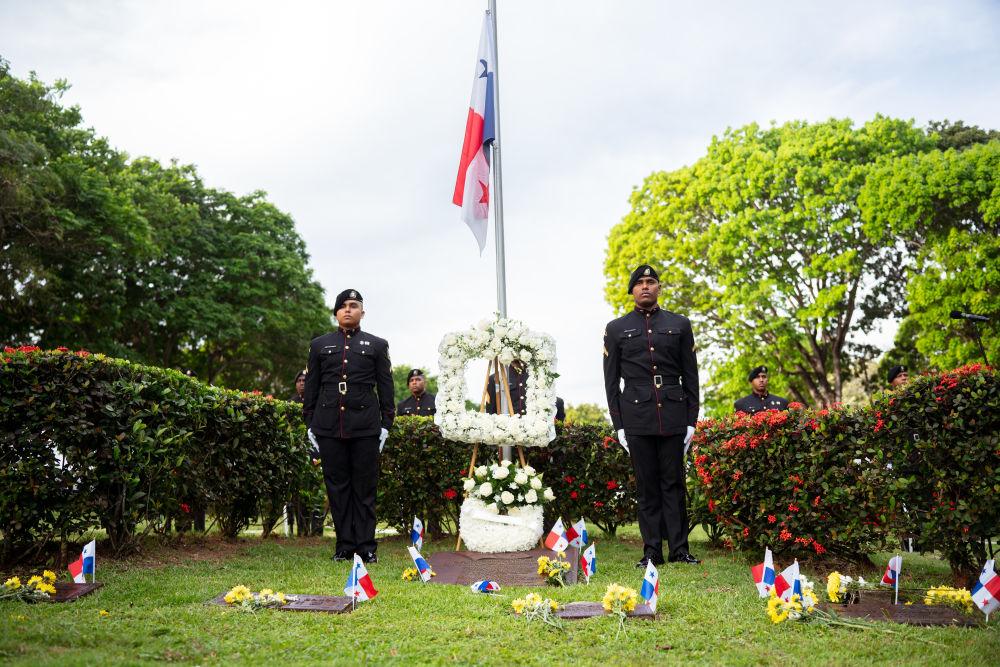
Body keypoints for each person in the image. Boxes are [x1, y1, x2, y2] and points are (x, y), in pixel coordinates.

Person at [603, 264, 700, 567]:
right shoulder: (616, 328)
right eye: (640, 283)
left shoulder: (680, 324)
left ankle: (680, 550)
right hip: (637, 417)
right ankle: (652, 552)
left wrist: (691, 421)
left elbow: (691, 375)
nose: (645, 286)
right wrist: (619, 424)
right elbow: (611, 382)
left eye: (651, 282)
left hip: (673, 413)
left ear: (659, 288)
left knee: (673, 483)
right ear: (632, 290)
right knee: (647, 486)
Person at [303, 289, 394, 563]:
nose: (348, 310)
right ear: (335, 313)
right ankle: (344, 546)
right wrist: (310, 422)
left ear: (362, 312)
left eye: (353, 305)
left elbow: (385, 386)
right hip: (329, 425)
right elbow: (312, 386)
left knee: (365, 488)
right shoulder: (319, 345)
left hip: (366, 426)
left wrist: (386, 424)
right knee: (337, 488)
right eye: (342, 306)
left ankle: (366, 547)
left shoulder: (377, 345)